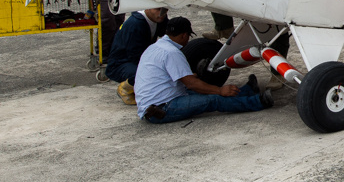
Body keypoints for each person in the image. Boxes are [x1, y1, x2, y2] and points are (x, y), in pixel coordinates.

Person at [135, 16, 272, 124]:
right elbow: (191, 84)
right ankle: (258, 102)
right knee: (213, 99)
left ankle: (247, 91)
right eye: (188, 36)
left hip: (155, 102)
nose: (188, 40)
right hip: (161, 110)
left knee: (203, 91)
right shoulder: (172, 53)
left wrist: (194, 77)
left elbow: (176, 77)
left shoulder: (157, 47)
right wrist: (219, 90)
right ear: (183, 35)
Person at [105, 7, 168, 105]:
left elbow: (167, 34)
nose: (162, 13)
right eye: (157, 9)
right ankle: (125, 88)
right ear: (147, 8)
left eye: (165, 10)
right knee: (150, 73)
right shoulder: (135, 23)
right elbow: (134, 55)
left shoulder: (159, 17)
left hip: (137, 57)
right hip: (121, 63)